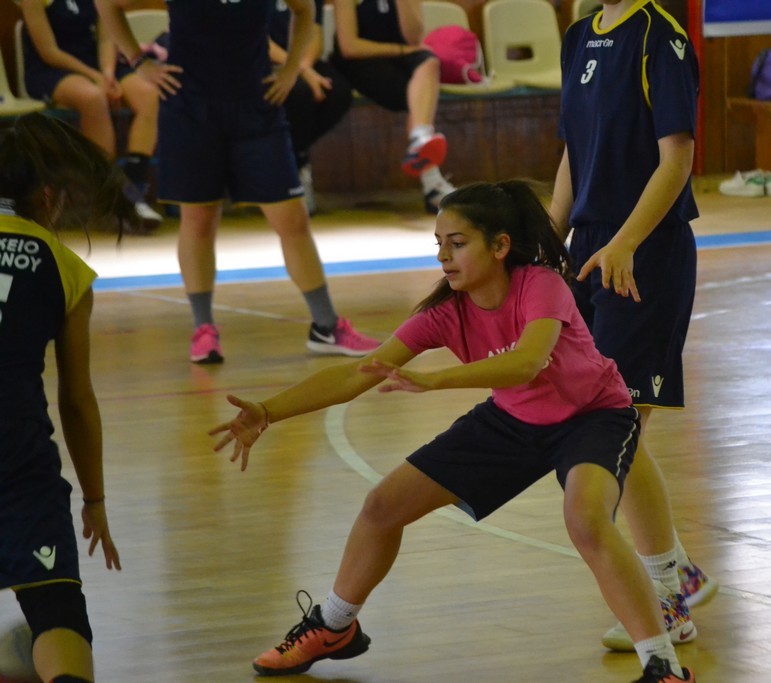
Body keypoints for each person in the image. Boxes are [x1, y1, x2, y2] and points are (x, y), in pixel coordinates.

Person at [209, 181, 695, 682]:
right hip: (512, 420)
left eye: (457, 243)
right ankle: (334, 626)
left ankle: (663, 666)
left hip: (593, 416)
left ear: (500, 245)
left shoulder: (540, 285)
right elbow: (358, 373)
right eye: (439, 244)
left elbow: (527, 362)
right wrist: (268, 411)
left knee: (586, 521)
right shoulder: (444, 315)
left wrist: (436, 380)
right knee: (382, 507)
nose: (444, 256)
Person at [549, 0, 718, 652]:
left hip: (644, 256)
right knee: (607, 425)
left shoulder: (659, 38)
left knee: (613, 427)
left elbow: (677, 159)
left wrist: (625, 241)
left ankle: (667, 601)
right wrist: (550, 241)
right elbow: (574, 150)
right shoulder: (576, 37)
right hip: (589, 253)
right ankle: (677, 573)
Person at [96, 0, 380, 364]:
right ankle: (203, 328)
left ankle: (326, 326)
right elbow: (107, 4)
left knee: (292, 219)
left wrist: (291, 69)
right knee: (199, 220)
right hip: (190, 109)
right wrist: (140, 63)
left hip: (257, 108)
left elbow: (304, 10)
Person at [0, 112, 127, 683]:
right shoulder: (63, 265)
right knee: (57, 613)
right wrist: (94, 500)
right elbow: (76, 399)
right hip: (19, 460)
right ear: (47, 197)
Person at [18, 0, 163, 232]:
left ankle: (132, 187)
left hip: (96, 66)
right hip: (52, 69)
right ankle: (109, 194)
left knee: (149, 96)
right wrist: (95, 78)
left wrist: (107, 74)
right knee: (93, 98)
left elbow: (106, 39)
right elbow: (49, 52)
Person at [329, 0, 456, 213]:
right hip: (359, 61)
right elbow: (349, 47)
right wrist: (400, 50)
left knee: (429, 63)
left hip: (400, 57)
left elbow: (414, 38)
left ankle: (420, 138)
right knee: (417, 94)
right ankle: (432, 183)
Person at [269, 0, 354, 216]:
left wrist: (303, 67)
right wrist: (301, 71)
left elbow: (315, 34)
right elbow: (258, 39)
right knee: (299, 92)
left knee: (337, 92)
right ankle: (292, 168)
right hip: (262, 62)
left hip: (301, 63)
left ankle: (296, 159)